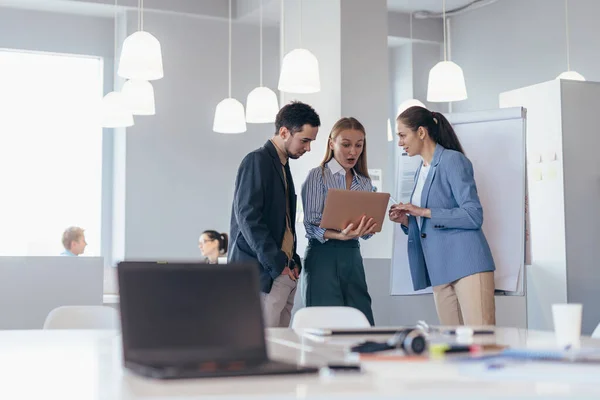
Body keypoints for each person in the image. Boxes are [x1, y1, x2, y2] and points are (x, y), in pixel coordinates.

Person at [389, 106, 496, 326]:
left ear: (421, 132)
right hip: (439, 268)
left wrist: (423, 212)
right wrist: (407, 220)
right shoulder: (421, 169)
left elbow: (473, 215)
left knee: (480, 339)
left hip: (467, 264)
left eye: (402, 135)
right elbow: (427, 222)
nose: (400, 142)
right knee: (452, 345)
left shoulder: (452, 161)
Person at [228, 101, 321, 328]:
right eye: (305, 140)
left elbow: (285, 221)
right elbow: (248, 217)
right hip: (262, 275)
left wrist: (292, 260)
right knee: (262, 348)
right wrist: (277, 263)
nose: (308, 148)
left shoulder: (282, 165)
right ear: (284, 132)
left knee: (280, 350)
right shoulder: (257, 160)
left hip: (281, 272)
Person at [301, 117, 377, 326]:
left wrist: (370, 225)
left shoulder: (365, 183)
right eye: (346, 145)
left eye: (358, 145)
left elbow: (368, 233)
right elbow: (310, 225)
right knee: (323, 324)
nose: (353, 152)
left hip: (352, 255)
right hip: (322, 256)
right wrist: (339, 234)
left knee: (361, 319)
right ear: (331, 143)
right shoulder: (318, 176)